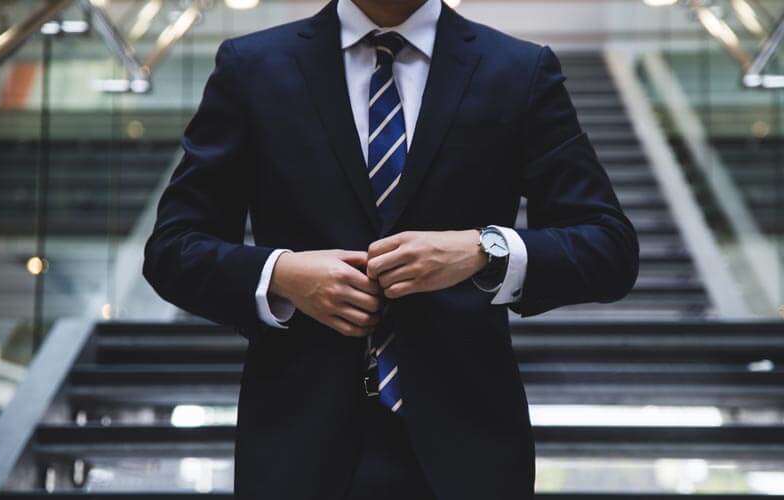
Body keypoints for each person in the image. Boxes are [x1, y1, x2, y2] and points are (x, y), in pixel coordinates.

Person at [142, 0, 639, 497]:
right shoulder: (252, 67)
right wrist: (281, 275)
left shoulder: (517, 69)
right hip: (294, 444)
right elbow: (173, 248)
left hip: (470, 449)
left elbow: (608, 247)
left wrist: (486, 250)